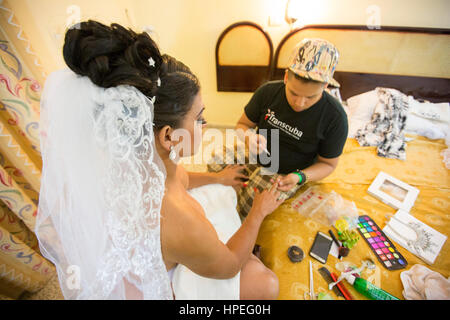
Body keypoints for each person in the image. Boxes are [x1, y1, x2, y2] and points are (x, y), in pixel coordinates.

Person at [36, 20, 280, 300]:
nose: (206, 127)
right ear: (168, 136)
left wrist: (217, 177)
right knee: (264, 281)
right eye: (199, 119)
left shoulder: (138, 161)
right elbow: (228, 266)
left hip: (158, 245)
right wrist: (258, 211)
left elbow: (183, 178)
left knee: (223, 197)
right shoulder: (178, 217)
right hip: (158, 278)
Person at [209, 38, 348, 218]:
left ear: (326, 86)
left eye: (310, 97)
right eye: (293, 93)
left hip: (287, 173)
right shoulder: (268, 92)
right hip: (255, 155)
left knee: (252, 202)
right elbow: (242, 125)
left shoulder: (335, 117)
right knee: (215, 163)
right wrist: (248, 137)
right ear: (285, 77)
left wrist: (298, 177)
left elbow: (328, 164)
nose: (299, 103)